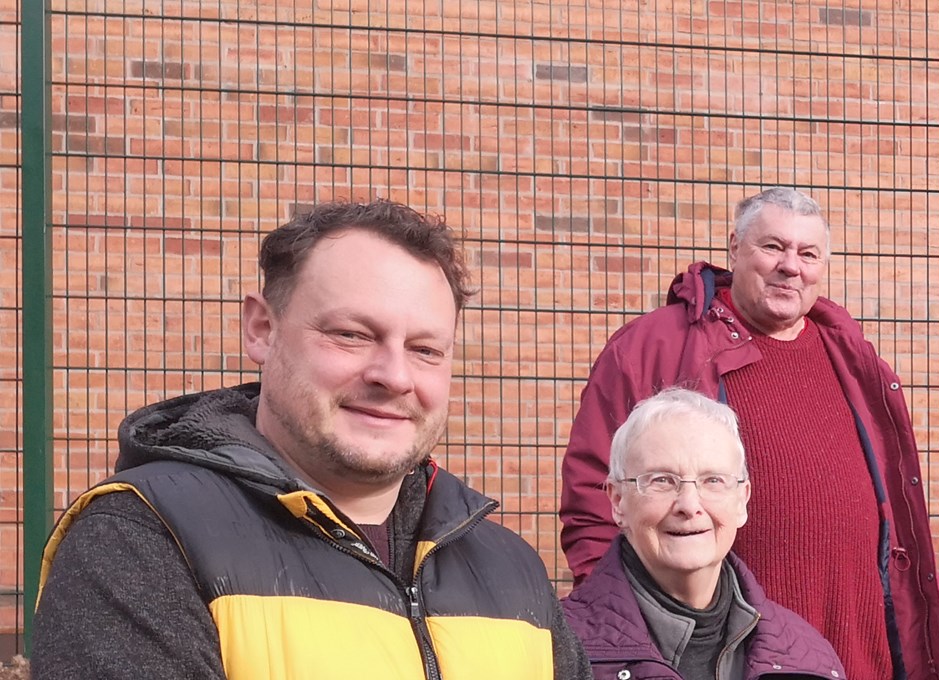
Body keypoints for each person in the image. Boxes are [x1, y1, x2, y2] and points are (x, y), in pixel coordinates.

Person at [31, 200, 587, 679]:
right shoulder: (142, 538)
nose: (394, 376)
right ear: (262, 329)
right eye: (351, 335)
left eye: (425, 350)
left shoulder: (511, 570)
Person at [560, 188, 939, 680]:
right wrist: (627, 637)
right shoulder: (653, 348)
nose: (790, 266)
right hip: (726, 660)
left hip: (863, 656)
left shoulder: (852, 357)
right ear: (735, 248)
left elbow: (897, 509)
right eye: (772, 247)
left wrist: (936, 616)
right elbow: (594, 499)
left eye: (807, 254)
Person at [563, 388, 846, 680]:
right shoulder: (558, 653)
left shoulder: (808, 659)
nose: (689, 505)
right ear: (618, 500)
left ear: (742, 500)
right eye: (662, 480)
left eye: (712, 480)